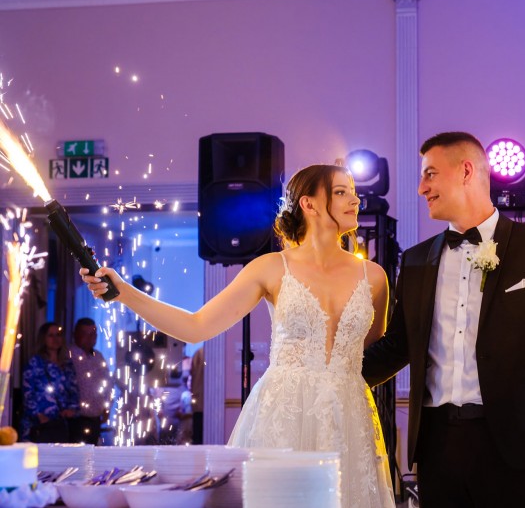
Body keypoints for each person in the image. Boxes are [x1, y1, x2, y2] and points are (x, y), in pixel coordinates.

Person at [80, 164, 395, 507]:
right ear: (309, 204)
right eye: (341, 192)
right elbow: (196, 326)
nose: (355, 200)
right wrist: (124, 293)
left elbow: (371, 352)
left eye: (353, 192)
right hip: (284, 412)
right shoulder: (271, 267)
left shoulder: (374, 276)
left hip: (349, 414)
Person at [362, 132, 525, 507]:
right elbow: (398, 346)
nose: (422, 188)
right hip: (438, 448)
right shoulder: (417, 260)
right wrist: (333, 377)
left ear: (466, 171)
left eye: (430, 174)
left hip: (520, 445)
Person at [21, 322, 80, 443]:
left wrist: (72, 409)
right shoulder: (35, 363)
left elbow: (74, 390)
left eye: (58, 335)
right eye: (51, 335)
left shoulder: (67, 364)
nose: (55, 339)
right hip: (39, 423)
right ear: (43, 338)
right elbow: (27, 392)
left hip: (60, 423)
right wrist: (37, 415)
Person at [67, 317, 110, 445]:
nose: (90, 338)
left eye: (93, 334)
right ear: (76, 334)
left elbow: (106, 383)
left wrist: (106, 407)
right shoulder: (68, 355)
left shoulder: (98, 356)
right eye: (85, 334)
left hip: (95, 418)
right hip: (75, 418)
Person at [189, 346, 204, 445]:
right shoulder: (200, 353)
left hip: (198, 401)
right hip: (200, 402)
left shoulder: (199, 353)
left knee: (198, 439)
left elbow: (192, 373)